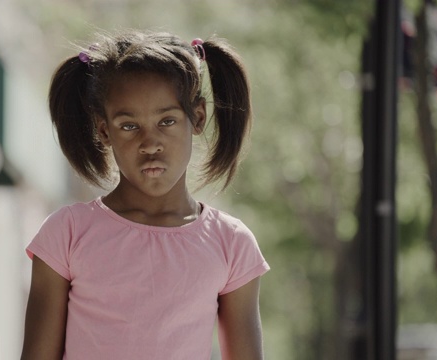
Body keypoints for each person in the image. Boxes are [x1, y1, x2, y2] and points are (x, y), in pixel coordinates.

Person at [21, 30, 270, 360]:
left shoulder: (231, 244)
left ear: (197, 117)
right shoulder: (66, 234)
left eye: (166, 120)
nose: (150, 143)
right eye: (128, 125)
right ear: (104, 130)